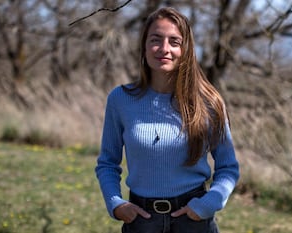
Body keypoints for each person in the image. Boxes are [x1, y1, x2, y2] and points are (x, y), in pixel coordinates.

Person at [95, 7, 239, 233]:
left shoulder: (209, 102)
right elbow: (107, 163)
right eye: (156, 40)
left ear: (186, 49)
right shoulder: (120, 99)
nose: (164, 49)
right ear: (144, 46)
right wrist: (116, 203)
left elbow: (228, 167)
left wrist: (208, 204)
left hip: (193, 221)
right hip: (140, 222)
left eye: (174, 41)